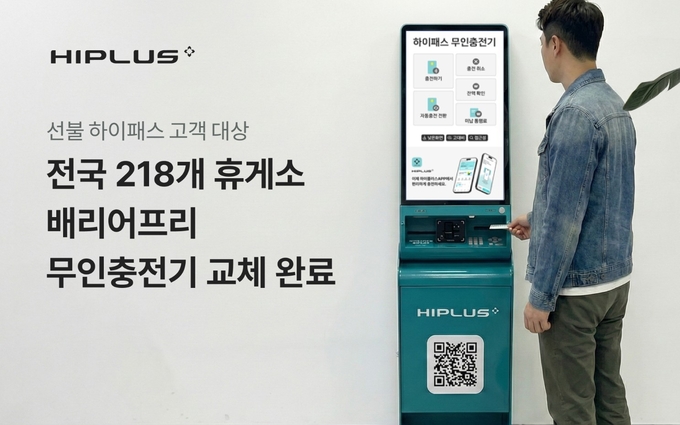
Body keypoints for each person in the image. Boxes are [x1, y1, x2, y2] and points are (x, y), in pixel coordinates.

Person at [508, 0, 636, 424]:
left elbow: (566, 216)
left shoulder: (575, 114)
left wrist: (541, 298)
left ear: (556, 44)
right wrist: (536, 217)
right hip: (612, 283)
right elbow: (596, 194)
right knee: (609, 398)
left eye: (542, 44)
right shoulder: (615, 105)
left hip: (574, 292)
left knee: (572, 410)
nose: (542, 53)